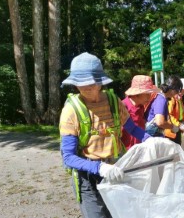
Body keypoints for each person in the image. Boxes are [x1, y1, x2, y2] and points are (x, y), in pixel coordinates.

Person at [59, 52, 151, 218]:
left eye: (91, 82)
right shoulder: (71, 111)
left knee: (118, 213)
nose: (87, 87)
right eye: (81, 83)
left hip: (114, 169)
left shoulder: (113, 102)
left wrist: (150, 140)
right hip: (87, 176)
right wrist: (99, 167)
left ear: (100, 81)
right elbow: (68, 157)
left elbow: (132, 129)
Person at [122, 75, 159, 150]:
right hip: (125, 152)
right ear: (136, 94)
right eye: (147, 94)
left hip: (140, 149)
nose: (149, 97)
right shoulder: (123, 107)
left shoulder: (141, 106)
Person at [164, 78, 184, 144]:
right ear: (180, 89)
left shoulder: (179, 99)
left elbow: (181, 114)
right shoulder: (172, 99)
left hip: (177, 128)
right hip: (171, 131)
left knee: (178, 148)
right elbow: (169, 115)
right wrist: (179, 125)